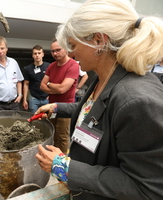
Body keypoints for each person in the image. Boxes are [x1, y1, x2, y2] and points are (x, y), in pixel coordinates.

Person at [35, 0, 163, 199]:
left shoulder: (138, 101)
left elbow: (146, 188)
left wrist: (64, 167)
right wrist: (56, 107)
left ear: (98, 40)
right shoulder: (103, 78)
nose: (71, 53)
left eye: (74, 45)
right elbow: (93, 111)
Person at [40, 38, 79, 154]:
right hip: (51, 107)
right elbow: (42, 85)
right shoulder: (51, 66)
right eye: (52, 51)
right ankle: (51, 156)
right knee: (52, 133)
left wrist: (49, 84)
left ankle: (60, 161)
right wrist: (55, 88)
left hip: (65, 108)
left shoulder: (73, 65)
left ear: (66, 49)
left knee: (62, 136)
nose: (55, 53)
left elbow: (62, 89)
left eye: (58, 50)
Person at [23, 45, 50, 113]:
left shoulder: (49, 67)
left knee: (47, 120)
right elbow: (26, 84)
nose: (37, 55)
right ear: (32, 55)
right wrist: (24, 100)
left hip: (46, 98)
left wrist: (51, 96)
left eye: (39, 53)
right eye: (35, 53)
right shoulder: (28, 69)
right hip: (34, 99)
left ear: (43, 54)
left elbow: (53, 82)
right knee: (34, 120)